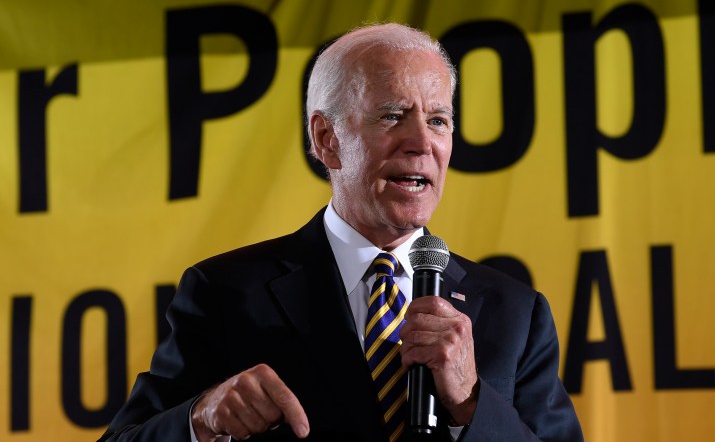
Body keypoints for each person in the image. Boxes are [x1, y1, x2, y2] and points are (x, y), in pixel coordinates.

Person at [98, 23, 583, 442]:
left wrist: (472, 402)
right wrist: (200, 419)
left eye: (438, 120)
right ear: (327, 139)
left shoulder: (515, 314)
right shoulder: (225, 294)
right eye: (392, 116)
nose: (422, 143)